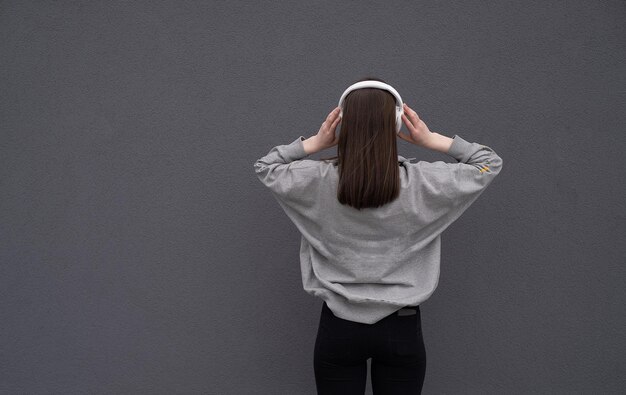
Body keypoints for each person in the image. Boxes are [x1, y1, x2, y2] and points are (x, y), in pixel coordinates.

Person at [253, 77, 503, 394]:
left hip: (338, 328)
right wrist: (431, 140)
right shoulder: (424, 181)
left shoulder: (317, 180)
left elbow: (266, 166)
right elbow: (488, 164)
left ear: (343, 123)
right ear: (396, 121)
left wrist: (315, 143)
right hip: (402, 329)